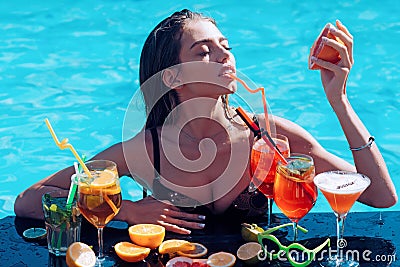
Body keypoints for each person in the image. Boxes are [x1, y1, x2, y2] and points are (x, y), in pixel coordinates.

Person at [14, 9, 397, 235]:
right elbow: (28, 200)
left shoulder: (269, 135)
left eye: (226, 47)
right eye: (205, 51)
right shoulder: (147, 151)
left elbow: (380, 197)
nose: (225, 56)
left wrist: (339, 99)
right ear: (172, 77)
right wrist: (125, 211)